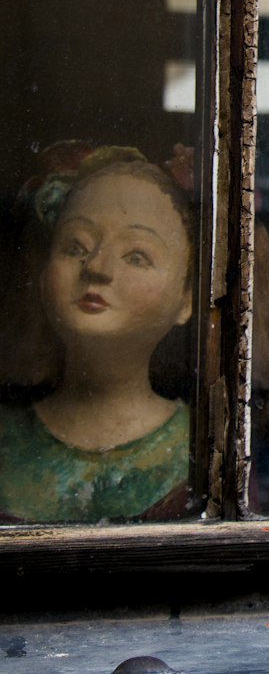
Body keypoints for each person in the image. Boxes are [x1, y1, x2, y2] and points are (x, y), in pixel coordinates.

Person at [0, 143, 194, 522]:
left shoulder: (198, 448)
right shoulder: (5, 439)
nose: (97, 268)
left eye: (136, 256)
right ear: (42, 276)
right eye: (76, 246)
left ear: (186, 299)